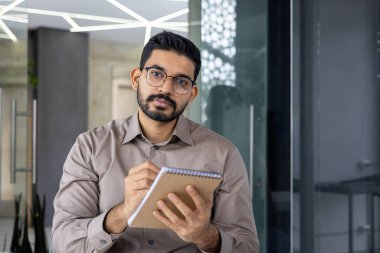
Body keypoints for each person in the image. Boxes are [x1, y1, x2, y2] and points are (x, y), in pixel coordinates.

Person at [52, 31, 259, 253]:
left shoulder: (224, 155)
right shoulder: (90, 147)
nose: (166, 89)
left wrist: (206, 236)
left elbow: (247, 246)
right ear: (136, 79)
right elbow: (64, 244)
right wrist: (122, 212)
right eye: (157, 74)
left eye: (181, 81)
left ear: (192, 94)